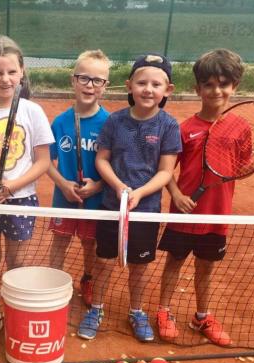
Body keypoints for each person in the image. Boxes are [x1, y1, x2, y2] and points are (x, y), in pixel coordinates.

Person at [157, 49, 254, 346]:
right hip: (183, 212)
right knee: (174, 261)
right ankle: (163, 311)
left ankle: (201, 316)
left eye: (224, 84)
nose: (216, 90)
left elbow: (237, 171)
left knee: (206, 267)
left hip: (217, 214)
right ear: (198, 89)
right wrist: (177, 194)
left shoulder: (241, 128)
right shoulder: (184, 129)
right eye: (208, 84)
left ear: (234, 86)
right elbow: (166, 171)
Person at [77, 53, 182, 342]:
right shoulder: (115, 121)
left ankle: (137, 311)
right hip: (113, 207)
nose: (148, 89)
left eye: (156, 84)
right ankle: (96, 309)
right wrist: (119, 187)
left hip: (146, 210)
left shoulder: (169, 126)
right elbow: (102, 160)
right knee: (104, 262)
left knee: (140, 266)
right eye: (142, 82)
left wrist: (139, 193)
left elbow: (166, 172)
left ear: (167, 90)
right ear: (129, 86)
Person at [0, 35, 54, 347]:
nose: (5, 79)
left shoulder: (33, 111)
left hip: (21, 201)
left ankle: (16, 313)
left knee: (17, 264)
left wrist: (12, 186)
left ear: (22, 72)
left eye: (11, 72)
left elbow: (43, 161)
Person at [46, 49, 111, 307]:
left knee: (90, 245)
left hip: (95, 201)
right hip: (64, 198)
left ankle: (88, 280)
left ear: (104, 86)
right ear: (73, 80)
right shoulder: (60, 122)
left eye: (97, 80)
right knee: (58, 242)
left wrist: (98, 186)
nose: (90, 85)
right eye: (84, 78)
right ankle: (51, 282)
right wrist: (63, 183)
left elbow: (116, 168)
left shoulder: (110, 123)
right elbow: (45, 162)